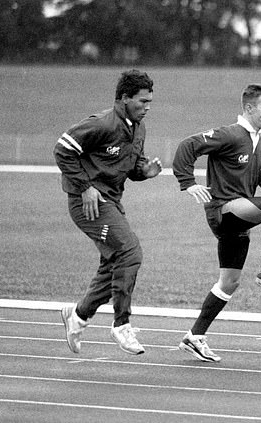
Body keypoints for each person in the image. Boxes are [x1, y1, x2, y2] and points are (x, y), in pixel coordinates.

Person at [172, 83, 261, 362]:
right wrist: (187, 183)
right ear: (249, 108)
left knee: (229, 282)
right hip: (222, 210)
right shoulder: (230, 134)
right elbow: (187, 146)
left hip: (240, 218)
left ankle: (195, 336)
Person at [54, 69, 162, 355]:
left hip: (112, 201)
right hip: (87, 202)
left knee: (114, 262)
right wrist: (85, 187)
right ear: (124, 98)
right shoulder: (102, 123)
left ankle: (78, 315)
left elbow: (129, 167)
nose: (147, 107)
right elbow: (62, 149)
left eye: (150, 101)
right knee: (131, 252)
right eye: (142, 101)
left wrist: (144, 171)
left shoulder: (139, 128)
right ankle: (121, 324)